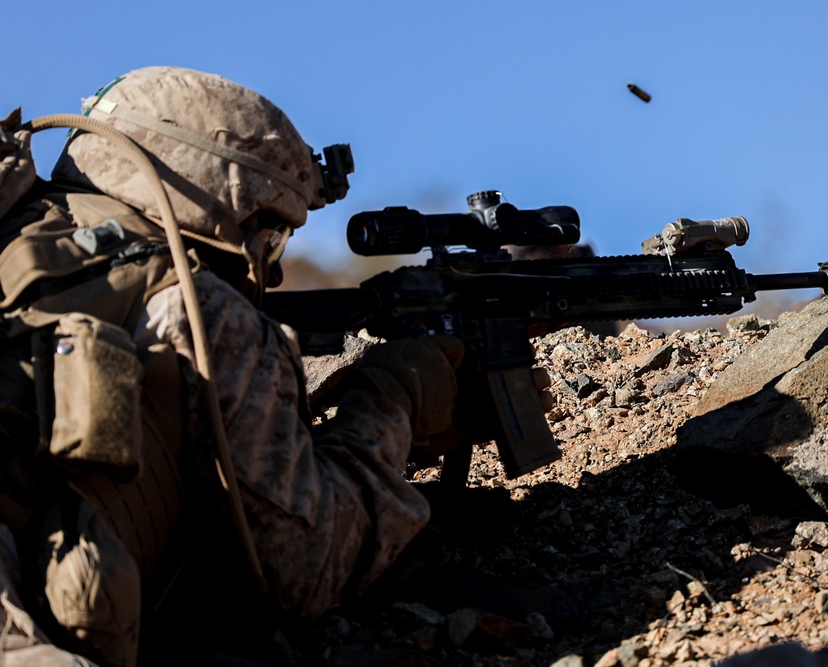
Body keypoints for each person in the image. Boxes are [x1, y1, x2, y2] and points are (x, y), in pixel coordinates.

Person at [0, 67, 475, 666]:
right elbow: (310, 565)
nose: (271, 273)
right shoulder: (192, 304)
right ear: (226, 211)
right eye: (272, 239)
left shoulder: (23, 241)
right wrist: (394, 396)